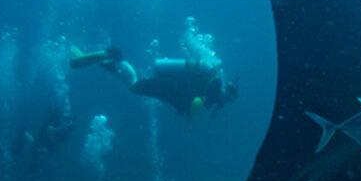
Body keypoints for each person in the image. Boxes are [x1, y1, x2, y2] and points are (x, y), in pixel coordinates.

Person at [70, 44, 237, 119]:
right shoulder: (213, 90)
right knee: (135, 86)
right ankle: (115, 56)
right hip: (169, 87)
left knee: (135, 84)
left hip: (170, 85)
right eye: (228, 99)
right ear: (227, 93)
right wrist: (192, 115)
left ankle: (111, 64)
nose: (225, 102)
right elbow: (196, 103)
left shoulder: (212, 83)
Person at [14, 100, 74, 171]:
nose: (65, 122)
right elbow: (49, 129)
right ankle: (24, 133)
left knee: (38, 148)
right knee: (35, 145)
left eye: (67, 121)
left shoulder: (67, 131)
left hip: (50, 139)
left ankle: (34, 162)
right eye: (64, 119)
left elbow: (60, 142)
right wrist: (60, 129)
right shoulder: (57, 122)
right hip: (45, 132)